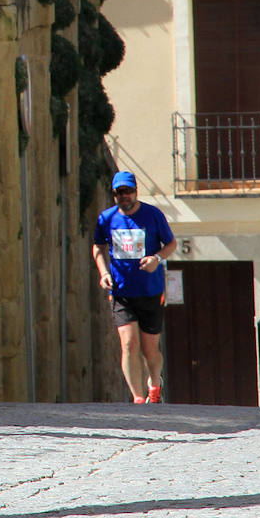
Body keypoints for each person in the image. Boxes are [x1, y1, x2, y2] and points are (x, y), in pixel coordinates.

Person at [91, 171, 177, 404]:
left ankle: (154, 383)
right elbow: (98, 247)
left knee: (150, 351)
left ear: (136, 191)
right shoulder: (106, 218)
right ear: (114, 194)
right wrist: (104, 273)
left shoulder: (152, 215)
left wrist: (156, 260)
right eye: (120, 192)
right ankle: (138, 397)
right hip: (121, 292)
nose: (124, 196)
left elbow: (171, 244)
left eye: (128, 191)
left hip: (150, 291)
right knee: (129, 344)